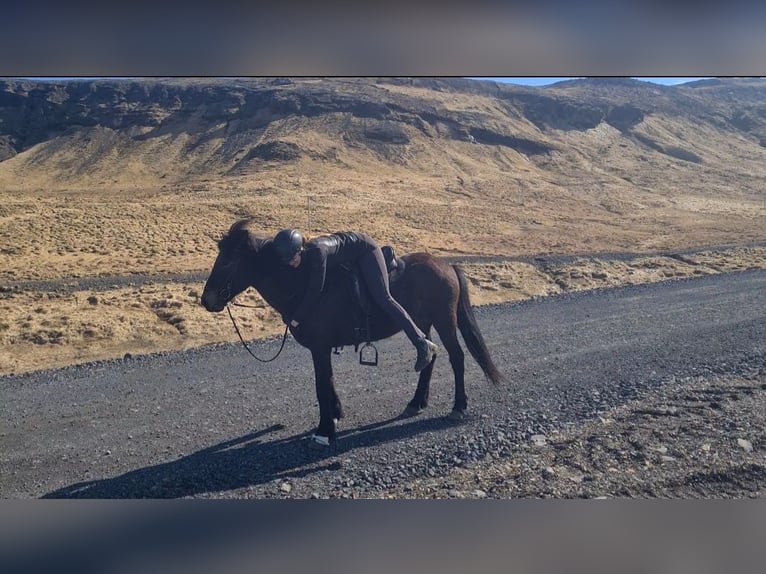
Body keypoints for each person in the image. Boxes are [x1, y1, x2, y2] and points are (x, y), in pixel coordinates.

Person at [272, 228, 439, 372]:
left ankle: (422, 343)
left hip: (365, 250)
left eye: (294, 259)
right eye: (288, 261)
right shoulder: (301, 256)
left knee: (383, 297)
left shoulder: (317, 253)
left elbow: (315, 290)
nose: (292, 263)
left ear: (301, 249)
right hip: (348, 255)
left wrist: (297, 318)